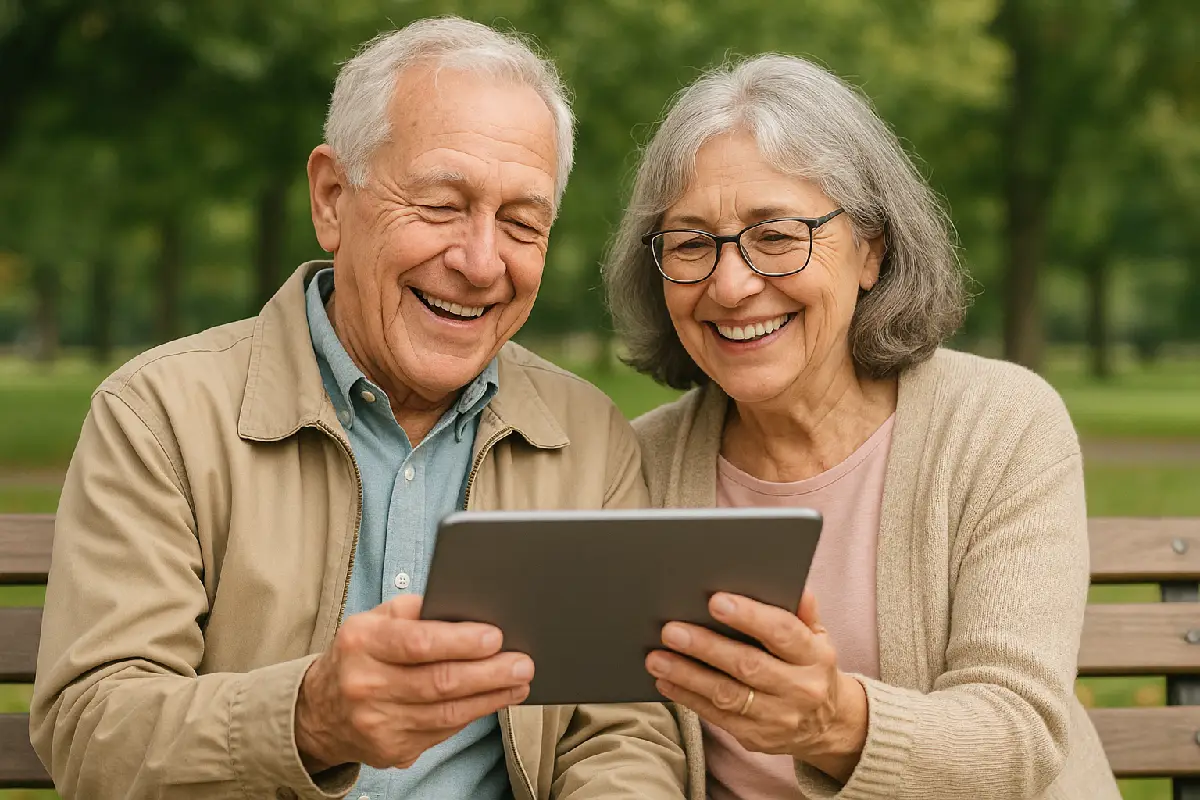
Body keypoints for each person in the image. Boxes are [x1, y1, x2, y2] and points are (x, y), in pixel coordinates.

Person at [31, 17, 686, 800]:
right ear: (333, 197)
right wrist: (309, 718)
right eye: (443, 204)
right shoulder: (160, 415)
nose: (481, 263)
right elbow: (92, 729)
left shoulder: (587, 438)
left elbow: (619, 732)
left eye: (521, 223)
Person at [606, 54, 1120, 799]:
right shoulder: (640, 465)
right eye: (690, 244)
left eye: (775, 235)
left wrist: (834, 721)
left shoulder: (1000, 424)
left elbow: (1019, 736)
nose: (729, 283)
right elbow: (626, 737)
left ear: (870, 250)